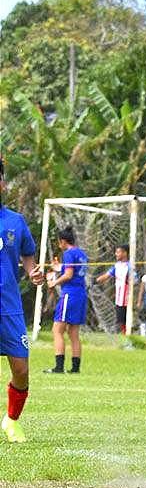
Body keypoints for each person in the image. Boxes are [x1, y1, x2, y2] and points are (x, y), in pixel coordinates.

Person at [0, 156, 45, 442]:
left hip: (9, 307)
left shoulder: (15, 222)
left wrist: (33, 272)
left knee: (21, 369)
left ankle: (12, 420)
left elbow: (28, 255)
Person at [43, 226, 89, 374]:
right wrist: (59, 268)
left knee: (57, 330)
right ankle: (75, 368)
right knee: (73, 332)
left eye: (59, 242)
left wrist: (54, 282)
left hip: (70, 294)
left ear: (63, 241)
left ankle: (59, 367)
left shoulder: (68, 253)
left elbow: (69, 275)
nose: (59, 245)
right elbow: (73, 271)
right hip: (81, 293)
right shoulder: (81, 253)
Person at [95, 244, 135, 334]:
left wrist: (130, 280)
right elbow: (107, 275)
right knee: (121, 319)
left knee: (127, 318)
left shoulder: (130, 266)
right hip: (119, 298)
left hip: (127, 298)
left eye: (118, 252)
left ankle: (129, 335)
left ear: (125, 253)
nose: (116, 254)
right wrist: (96, 280)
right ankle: (125, 335)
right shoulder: (116, 266)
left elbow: (135, 279)